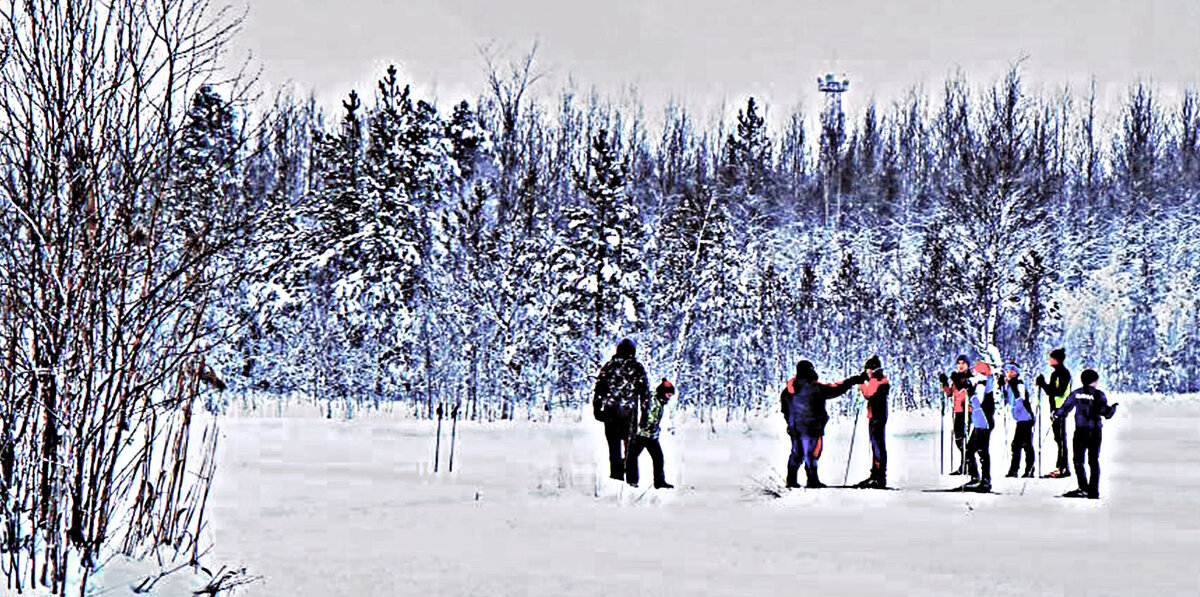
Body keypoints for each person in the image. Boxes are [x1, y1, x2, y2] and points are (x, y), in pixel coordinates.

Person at [786, 360, 868, 488]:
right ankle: (812, 480)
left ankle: (791, 480)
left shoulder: (789, 389)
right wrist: (853, 380)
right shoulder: (816, 388)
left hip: (795, 426)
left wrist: (791, 422)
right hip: (812, 426)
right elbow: (836, 389)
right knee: (811, 453)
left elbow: (784, 408)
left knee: (797, 452)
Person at [1052, 369, 1118, 499]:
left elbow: (1065, 408)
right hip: (1095, 431)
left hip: (1080, 430)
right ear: (1094, 381)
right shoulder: (1099, 395)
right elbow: (1106, 413)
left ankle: (1083, 487)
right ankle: (1093, 491)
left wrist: (1056, 413)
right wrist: (1113, 408)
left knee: (1078, 460)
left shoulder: (1076, 394)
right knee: (1093, 461)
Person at [591, 338, 650, 482]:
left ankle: (616, 480)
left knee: (614, 451)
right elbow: (645, 394)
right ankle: (632, 481)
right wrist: (644, 416)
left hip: (610, 415)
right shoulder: (637, 368)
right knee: (631, 452)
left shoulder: (609, 367)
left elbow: (599, 390)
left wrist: (597, 410)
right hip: (629, 416)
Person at [626, 379, 675, 489]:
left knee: (658, 458)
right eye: (668, 394)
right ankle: (631, 482)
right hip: (642, 434)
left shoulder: (659, 401)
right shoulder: (652, 400)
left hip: (652, 435)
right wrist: (648, 424)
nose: (669, 397)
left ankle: (659, 482)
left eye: (670, 395)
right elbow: (647, 413)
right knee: (633, 456)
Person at [853, 355, 890, 488]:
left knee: (877, 445)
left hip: (877, 417)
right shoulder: (880, 379)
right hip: (876, 416)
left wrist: (862, 383)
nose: (867, 372)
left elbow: (869, 394)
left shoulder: (877, 380)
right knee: (876, 445)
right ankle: (876, 474)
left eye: (868, 369)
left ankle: (879, 476)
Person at [1036, 348, 1073, 478]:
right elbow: (1050, 391)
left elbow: (1059, 391)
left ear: (1057, 359)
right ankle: (1060, 466)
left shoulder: (1064, 373)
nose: (1049, 360)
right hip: (1054, 408)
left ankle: (1064, 468)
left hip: (1061, 409)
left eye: (1051, 358)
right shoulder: (1055, 374)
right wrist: (1043, 384)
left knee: (1061, 438)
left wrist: (1044, 385)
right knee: (1058, 438)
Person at [962, 361, 996, 492]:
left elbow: (978, 401)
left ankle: (982, 480)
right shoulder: (985, 382)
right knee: (973, 450)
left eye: (976, 370)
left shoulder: (982, 382)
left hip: (983, 422)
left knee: (976, 450)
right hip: (980, 422)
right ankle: (980, 478)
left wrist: (970, 392)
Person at [939, 355, 973, 475]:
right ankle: (965, 463)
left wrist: (957, 381)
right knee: (958, 439)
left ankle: (968, 465)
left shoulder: (970, 378)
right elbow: (950, 394)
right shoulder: (956, 378)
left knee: (966, 439)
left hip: (967, 411)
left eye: (963, 363)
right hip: (957, 411)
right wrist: (944, 384)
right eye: (959, 363)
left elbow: (964, 390)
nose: (960, 366)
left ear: (968, 365)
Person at [1003, 363, 1036, 478]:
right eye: (1007, 372)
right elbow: (1008, 399)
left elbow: (1021, 399)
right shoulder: (1010, 385)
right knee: (1022, 444)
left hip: (1025, 417)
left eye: (1011, 372)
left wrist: (1011, 388)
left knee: (1020, 444)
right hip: (1020, 418)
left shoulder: (1018, 383)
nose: (1009, 374)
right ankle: (1023, 469)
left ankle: (1020, 469)